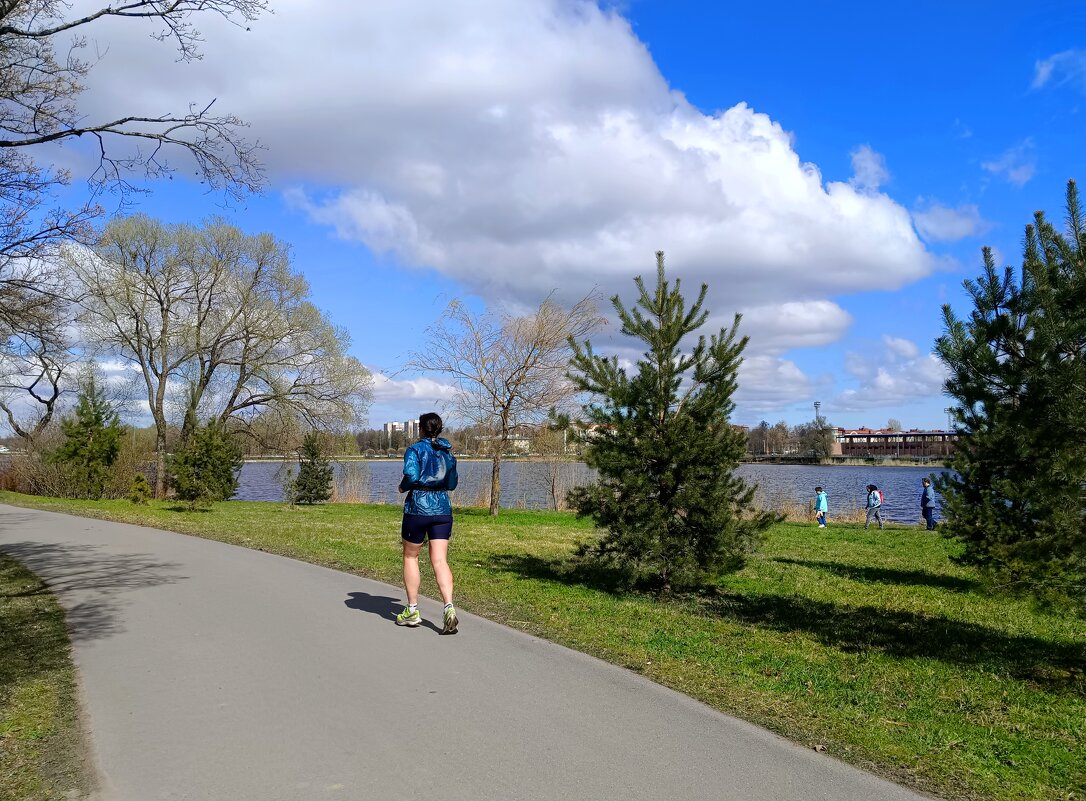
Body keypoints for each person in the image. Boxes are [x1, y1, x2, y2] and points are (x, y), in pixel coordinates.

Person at [395, 412, 460, 634]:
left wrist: (403, 486)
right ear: (439, 430)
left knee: (410, 556)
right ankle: (449, 608)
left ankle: (412, 610)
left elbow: (411, 475)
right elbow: (451, 484)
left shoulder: (414, 450)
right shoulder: (447, 454)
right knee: (440, 560)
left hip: (418, 509)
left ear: (421, 429)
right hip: (442, 508)